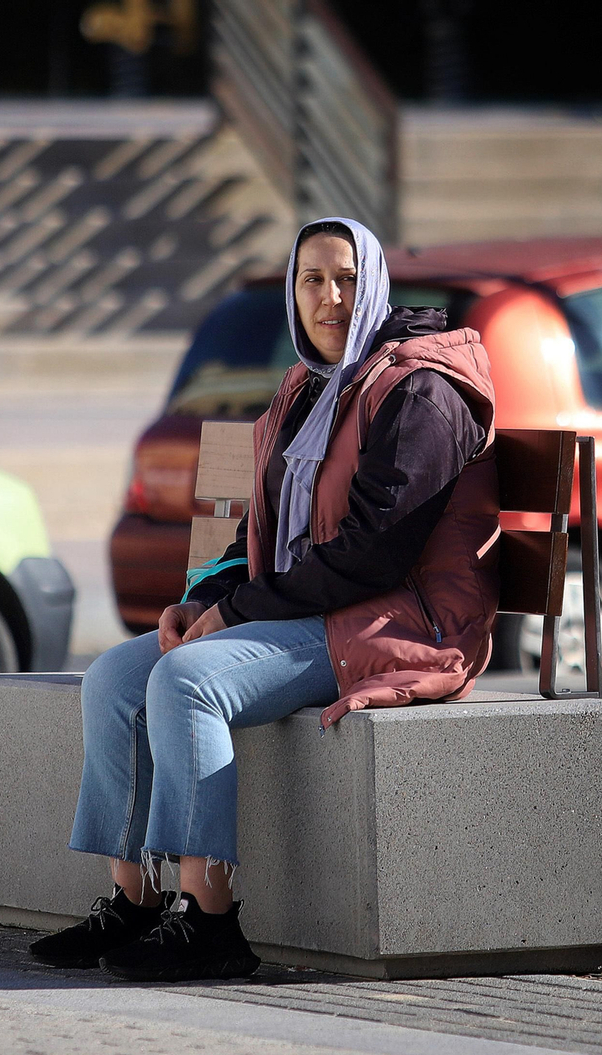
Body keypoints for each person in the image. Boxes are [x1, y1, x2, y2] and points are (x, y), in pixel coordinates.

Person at [28, 217, 501, 982]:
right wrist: (207, 597)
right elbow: (262, 529)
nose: (331, 296)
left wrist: (237, 614)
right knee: (117, 675)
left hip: (396, 620)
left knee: (186, 682)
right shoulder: (312, 387)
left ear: (374, 284)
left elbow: (375, 551)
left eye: (347, 278)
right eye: (312, 279)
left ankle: (211, 920)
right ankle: (136, 900)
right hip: (315, 607)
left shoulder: (421, 391)